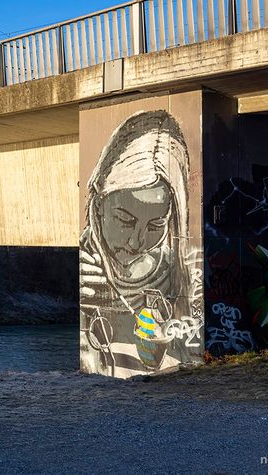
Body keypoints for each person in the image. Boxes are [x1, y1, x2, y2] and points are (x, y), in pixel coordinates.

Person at [79, 109, 201, 377]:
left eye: (156, 225)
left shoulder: (185, 275)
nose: (137, 242)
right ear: (98, 204)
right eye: (125, 220)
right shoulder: (85, 273)